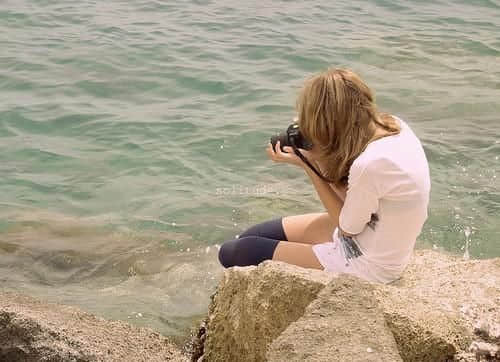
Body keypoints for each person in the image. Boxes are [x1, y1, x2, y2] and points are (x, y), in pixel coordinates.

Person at [218, 68, 430, 284]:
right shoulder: (395, 126)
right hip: (373, 231)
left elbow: (348, 229)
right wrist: (318, 154)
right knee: (255, 234)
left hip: (368, 262)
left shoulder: (370, 165)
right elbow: (360, 195)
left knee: (234, 252)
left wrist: (310, 165)